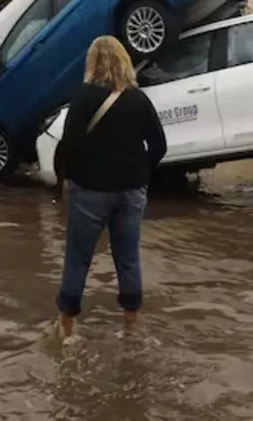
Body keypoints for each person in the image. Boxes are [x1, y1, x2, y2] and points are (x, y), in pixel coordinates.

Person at [54, 36, 166, 339]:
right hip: (131, 192)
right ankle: (130, 327)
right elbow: (159, 146)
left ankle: (67, 330)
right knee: (128, 257)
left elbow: (69, 146)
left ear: (92, 63)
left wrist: (67, 179)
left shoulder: (83, 97)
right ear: (124, 61)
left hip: (89, 191)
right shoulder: (139, 99)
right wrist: (140, 174)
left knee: (78, 257)